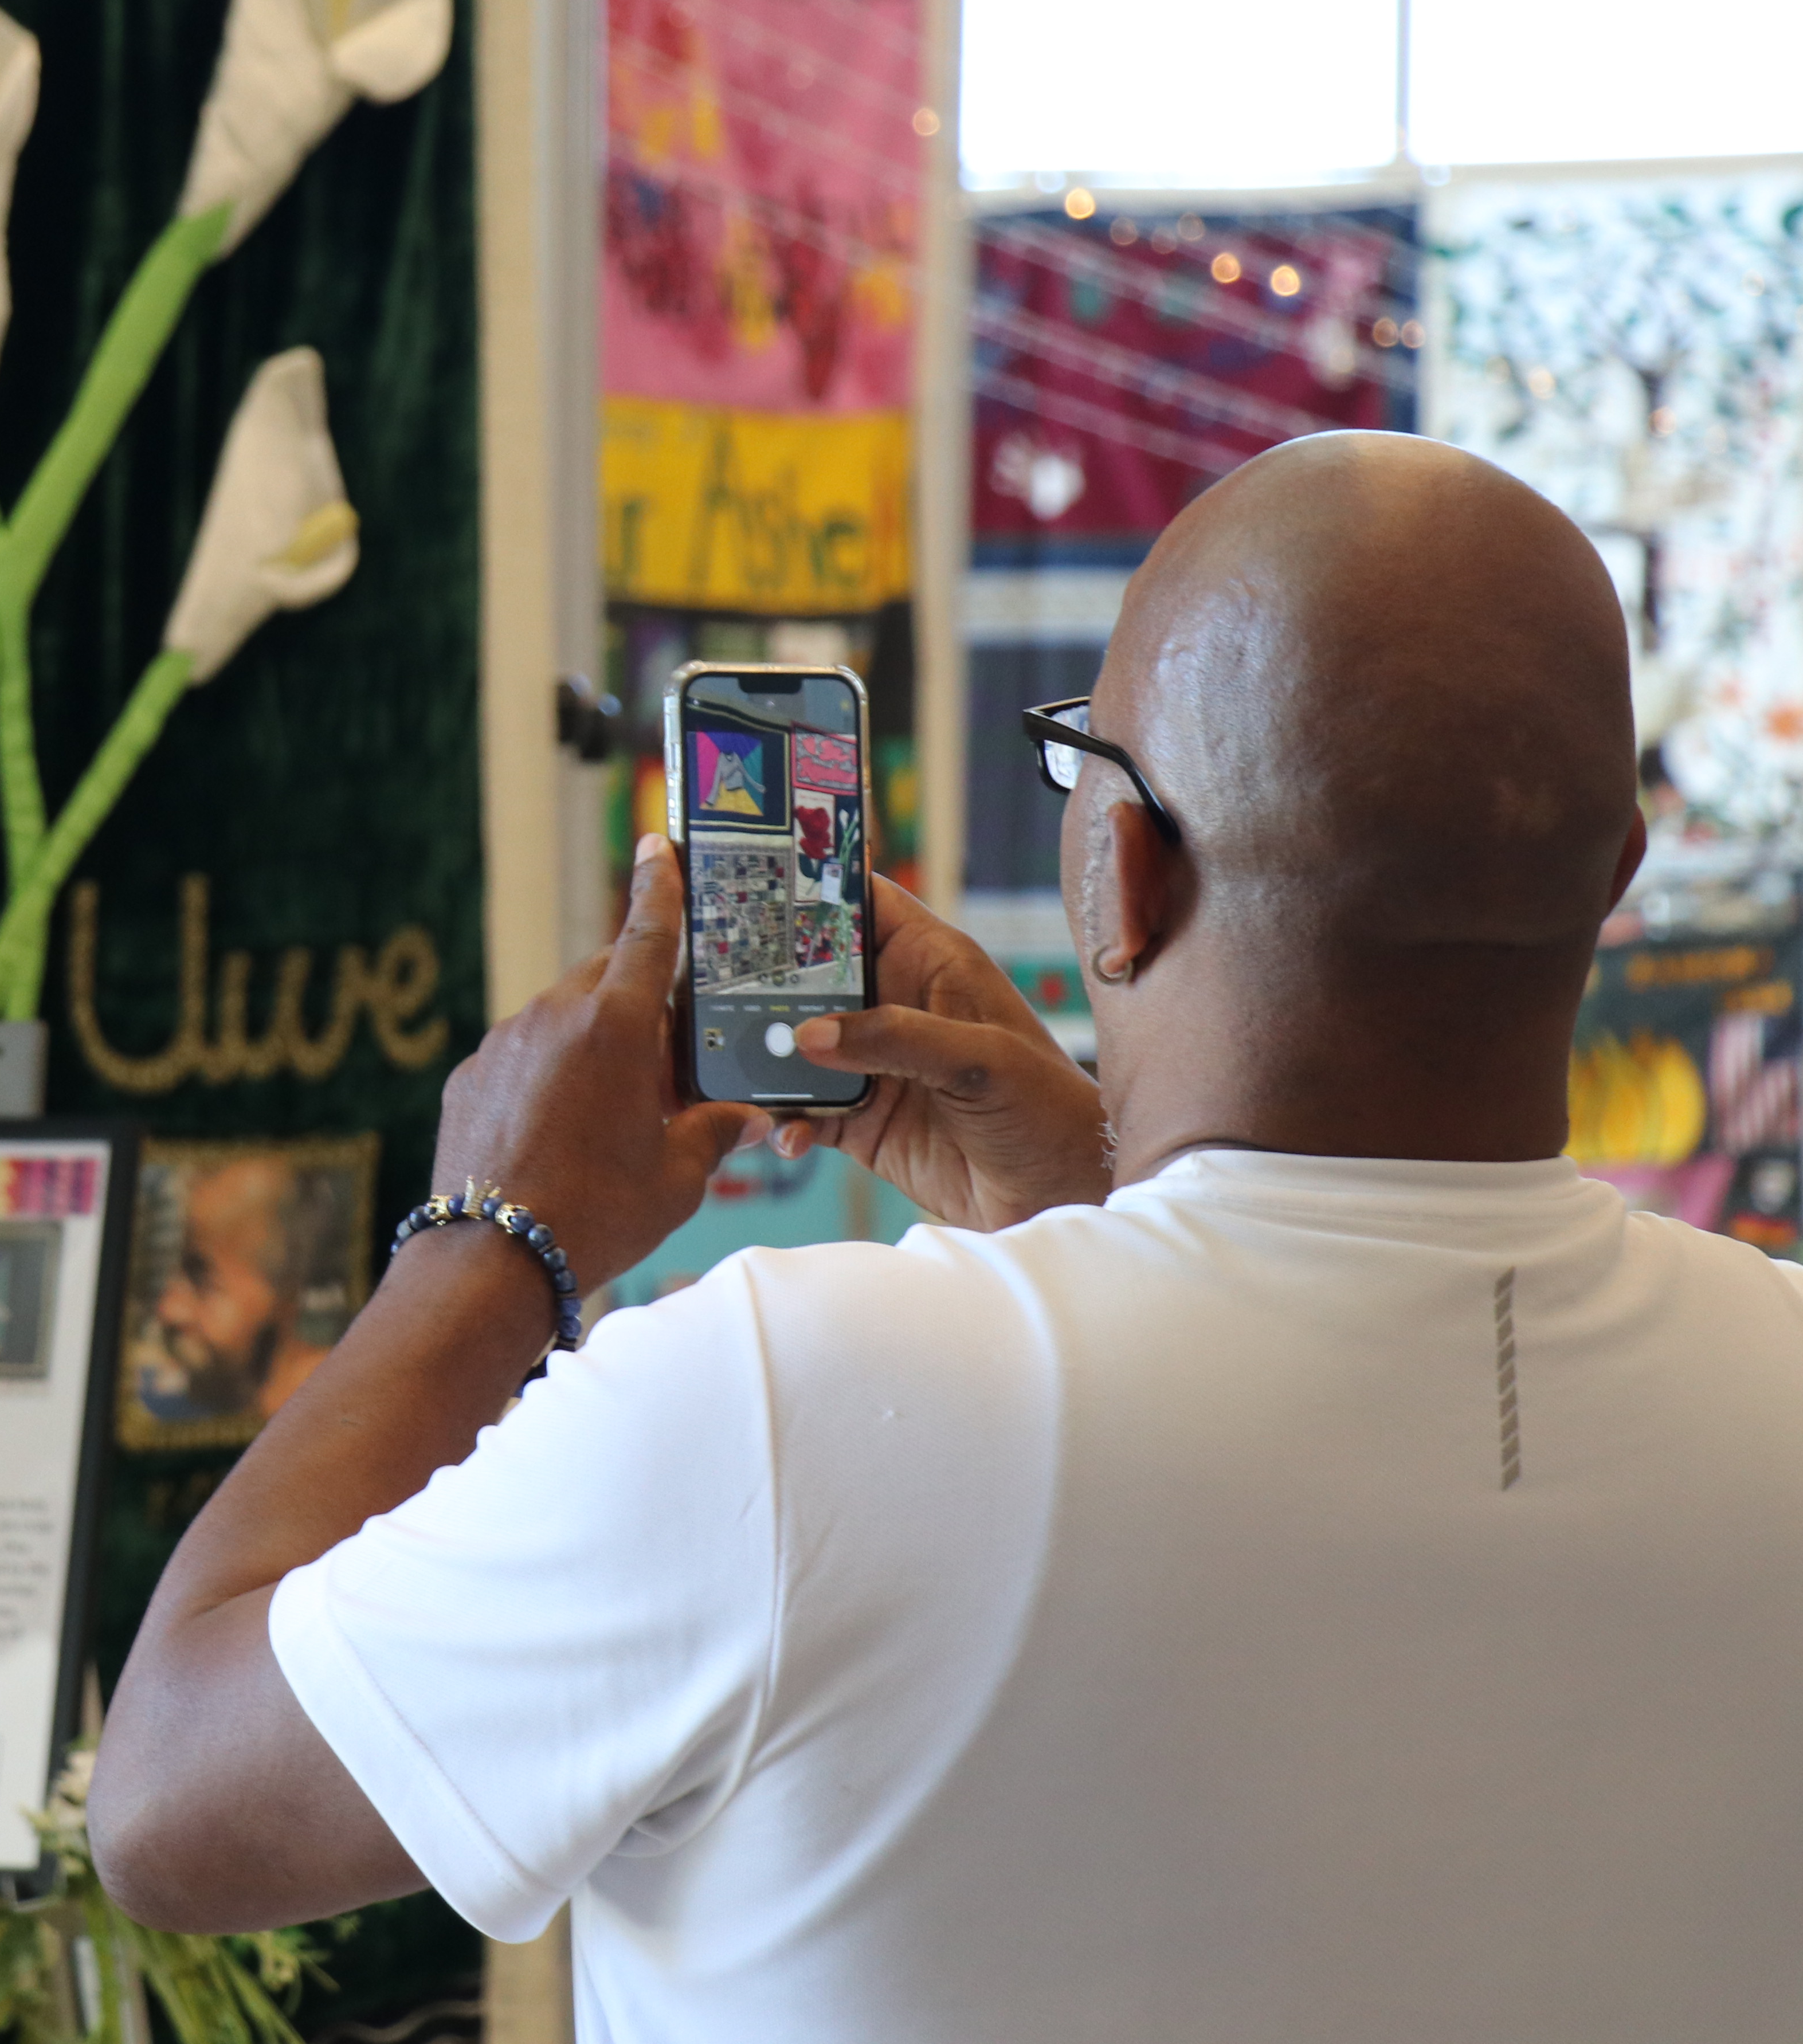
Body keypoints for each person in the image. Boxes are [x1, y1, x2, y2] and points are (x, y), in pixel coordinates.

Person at [93, 434, 1803, 2039]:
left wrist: (490, 1235)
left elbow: (175, 1804)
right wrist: (1103, 1218)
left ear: (1115, 871)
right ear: (1610, 878)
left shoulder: (784, 1403)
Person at [143, 1156, 334, 1426]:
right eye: (170, 1277)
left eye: (203, 1281)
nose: (169, 1310)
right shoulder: (172, 1406)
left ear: (284, 1288)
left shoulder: (335, 1405)